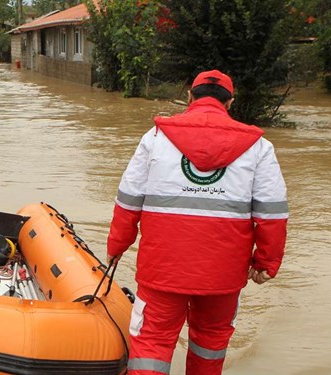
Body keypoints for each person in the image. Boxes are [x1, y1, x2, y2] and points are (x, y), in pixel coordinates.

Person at [106, 70, 288, 375]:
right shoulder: (258, 147)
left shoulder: (155, 138)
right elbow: (272, 213)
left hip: (162, 268)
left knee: (152, 342)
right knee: (210, 343)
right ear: (230, 102)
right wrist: (266, 262)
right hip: (223, 274)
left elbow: (128, 200)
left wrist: (117, 246)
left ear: (189, 97)